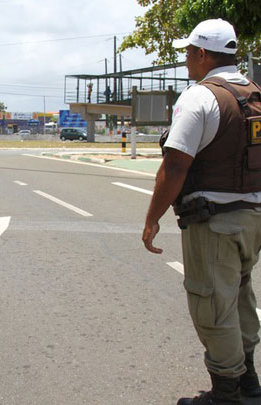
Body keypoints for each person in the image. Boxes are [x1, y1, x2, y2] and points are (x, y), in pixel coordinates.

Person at [142, 19, 261, 404]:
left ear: (202, 54)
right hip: (254, 219)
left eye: (189, 53)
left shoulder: (200, 97)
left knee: (211, 302)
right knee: (240, 295)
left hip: (216, 222)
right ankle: (248, 380)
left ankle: (225, 393)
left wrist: (152, 218)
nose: (187, 60)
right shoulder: (254, 94)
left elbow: (175, 166)